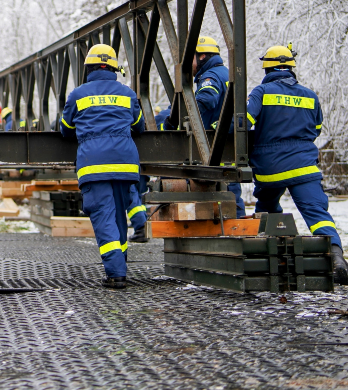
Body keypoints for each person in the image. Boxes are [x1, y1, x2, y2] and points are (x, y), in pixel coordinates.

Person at [246, 45, 348, 284]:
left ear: (267, 68)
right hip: (304, 166)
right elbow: (317, 130)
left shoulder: (261, 92)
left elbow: (245, 123)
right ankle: (336, 256)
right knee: (317, 213)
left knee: (267, 205)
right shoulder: (310, 95)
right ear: (292, 68)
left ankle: (273, 245)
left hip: (270, 168)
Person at [60, 45, 144, 288]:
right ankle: (121, 265)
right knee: (119, 218)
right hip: (125, 164)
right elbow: (139, 126)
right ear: (114, 69)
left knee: (104, 218)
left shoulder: (78, 95)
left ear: (88, 68)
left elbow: (66, 129)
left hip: (94, 166)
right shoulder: (127, 94)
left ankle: (116, 273)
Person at [164, 36, 246, 217]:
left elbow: (207, 99)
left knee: (218, 187)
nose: (188, 65)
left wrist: (186, 118)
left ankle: (230, 226)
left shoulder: (211, 76)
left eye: (190, 58)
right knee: (231, 192)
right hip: (227, 144)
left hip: (212, 144)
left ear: (202, 56)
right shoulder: (225, 73)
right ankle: (236, 224)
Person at [127, 176, 150, 243]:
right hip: (143, 170)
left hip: (129, 169)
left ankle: (140, 227)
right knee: (138, 196)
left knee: (131, 195)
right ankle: (144, 226)